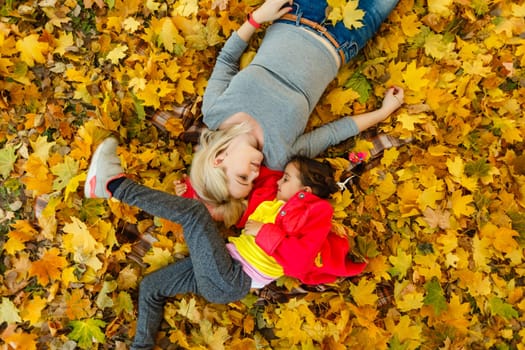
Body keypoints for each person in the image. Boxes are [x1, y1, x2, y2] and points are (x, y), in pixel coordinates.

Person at [84, 138, 367, 349]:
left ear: (305, 191)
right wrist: (193, 188)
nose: (280, 181)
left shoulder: (315, 212)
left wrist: (264, 233)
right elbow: (230, 196)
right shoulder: (268, 198)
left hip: (233, 279)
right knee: (151, 287)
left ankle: (114, 186)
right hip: (220, 264)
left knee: (194, 216)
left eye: (287, 178)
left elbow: (299, 262)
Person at [187, 0, 404, 223]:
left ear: (219, 159)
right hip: (345, 38)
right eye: (251, 182)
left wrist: (258, 17)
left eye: (243, 177)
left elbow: (227, 59)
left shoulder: (214, 112)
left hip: (300, 11)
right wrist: (383, 112)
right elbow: (332, 133)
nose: (255, 174)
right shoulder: (279, 156)